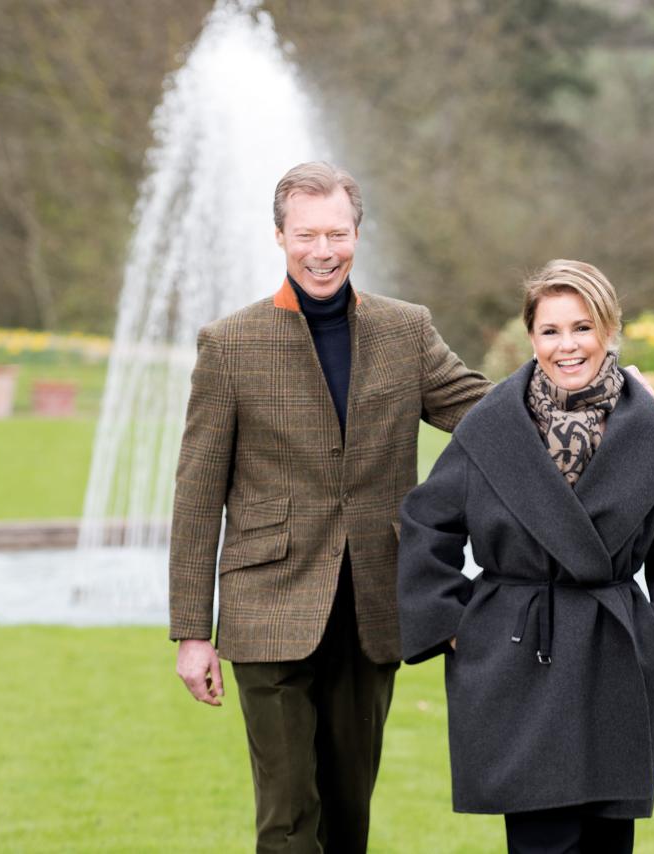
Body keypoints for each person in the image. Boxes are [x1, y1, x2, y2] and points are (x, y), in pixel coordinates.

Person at [168, 161, 492, 852]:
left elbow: (482, 412)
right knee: (288, 818)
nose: (323, 251)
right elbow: (197, 496)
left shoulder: (406, 331)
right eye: (307, 235)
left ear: (356, 236)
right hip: (266, 604)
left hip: (373, 601)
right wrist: (193, 631)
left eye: (337, 235)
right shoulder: (229, 345)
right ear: (280, 237)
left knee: (349, 815)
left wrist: (596, 396)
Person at [397, 259, 654, 853]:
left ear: (609, 330)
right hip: (521, 657)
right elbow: (425, 523)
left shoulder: (647, 429)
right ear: (531, 338)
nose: (568, 346)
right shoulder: (492, 428)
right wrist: (457, 625)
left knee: (608, 842)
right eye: (551, 331)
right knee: (544, 841)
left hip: (614, 651)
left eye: (583, 327)